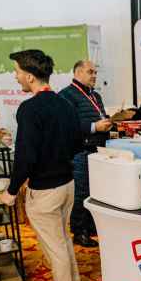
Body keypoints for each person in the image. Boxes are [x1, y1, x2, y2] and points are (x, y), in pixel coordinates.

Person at [1, 50, 86, 281]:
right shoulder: (65, 104)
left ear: (29, 76)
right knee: (62, 238)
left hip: (45, 190)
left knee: (54, 244)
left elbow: (25, 156)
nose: (15, 77)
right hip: (67, 183)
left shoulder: (29, 109)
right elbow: (78, 142)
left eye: (17, 72)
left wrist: (11, 190)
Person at [58, 60, 111, 248]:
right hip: (80, 151)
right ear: (78, 72)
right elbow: (67, 126)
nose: (94, 75)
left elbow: (99, 116)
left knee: (95, 190)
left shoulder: (95, 95)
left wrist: (106, 122)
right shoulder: (66, 95)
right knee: (81, 192)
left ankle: (90, 227)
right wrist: (94, 126)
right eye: (90, 72)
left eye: (95, 72)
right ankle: (79, 232)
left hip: (98, 150)